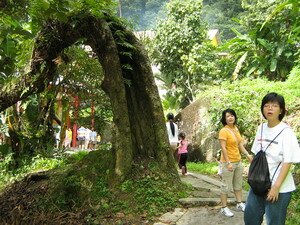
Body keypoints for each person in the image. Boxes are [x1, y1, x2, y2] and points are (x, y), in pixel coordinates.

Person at [244, 92, 300, 225]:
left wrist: (276, 187)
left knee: (274, 222)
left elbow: (288, 161)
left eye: (274, 106)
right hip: (258, 185)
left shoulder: (286, 132)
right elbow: (257, 155)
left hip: (279, 188)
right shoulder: (261, 128)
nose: (270, 108)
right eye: (266, 105)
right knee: (250, 219)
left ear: (281, 110)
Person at [218, 108, 253, 217]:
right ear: (224, 119)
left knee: (238, 185)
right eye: (227, 116)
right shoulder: (223, 131)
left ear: (235, 117)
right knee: (226, 186)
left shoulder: (236, 129)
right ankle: (224, 208)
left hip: (238, 161)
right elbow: (223, 148)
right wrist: (228, 162)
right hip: (228, 162)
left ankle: (239, 203)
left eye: (232, 115)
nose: (230, 117)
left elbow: (239, 145)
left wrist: (247, 155)